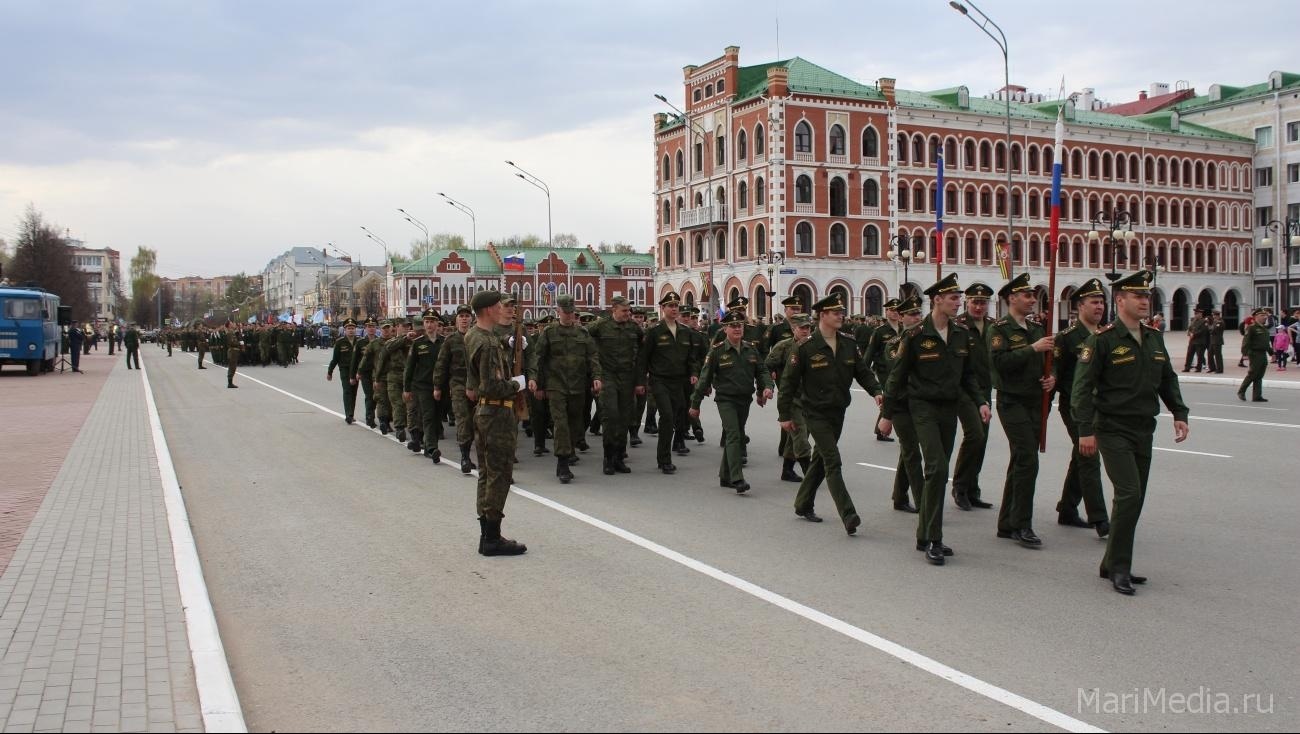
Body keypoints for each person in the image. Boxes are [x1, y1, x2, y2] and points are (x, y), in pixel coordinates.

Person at [1071, 269, 1189, 595]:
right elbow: (1082, 390)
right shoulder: (1102, 340)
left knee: (1135, 499)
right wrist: (1085, 430)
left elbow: (1167, 378)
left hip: (1143, 428)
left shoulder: (1153, 337)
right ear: (1120, 299)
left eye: (1147, 295)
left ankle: (1111, 561)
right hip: (1112, 428)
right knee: (1129, 493)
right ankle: (1120, 568)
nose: (1144, 301)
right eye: (1138, 296)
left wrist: (1179, 412)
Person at [878, 274, 989, 565]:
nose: (958, 302)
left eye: (959, 298)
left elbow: (967, 375)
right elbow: (896, 378)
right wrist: (886, 416)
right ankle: (934, 539)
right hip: (922, 407)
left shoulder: (961, 334)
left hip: (948, 408)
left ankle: (923, 533)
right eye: (953, 297)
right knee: (937, 469)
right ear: (937, 299)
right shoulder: (914, 336)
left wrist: (980, 402)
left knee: (937, 473)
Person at [778, 293, 881, 535]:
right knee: (832, 460)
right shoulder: (804, 347)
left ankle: (803, 503)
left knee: (821, 459)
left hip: (838, 410)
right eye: (836, 312)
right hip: (814, 412)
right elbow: (788, 384)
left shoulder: (847, 343)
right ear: (822, 315)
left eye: (841, 312)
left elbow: (863, 372)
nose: (841, 316)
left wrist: (876, 390)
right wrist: (785, 416)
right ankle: (848, 514)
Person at [989, 272, 1055, 549]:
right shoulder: (999, 329)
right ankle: (1022, 524)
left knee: (1020, 460)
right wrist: (1032, 349)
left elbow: (1051, 361)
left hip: (1035, 401)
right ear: (1012, 298)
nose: (1032, 300)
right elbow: (1000, 363)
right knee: (1028, 458)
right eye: (1027, 295)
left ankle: (1006, 522)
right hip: (1012, 401)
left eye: (1033, 295)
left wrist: (1053, 378)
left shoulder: (1037, 328)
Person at [465, 290, 528, 556]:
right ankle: (492, 538)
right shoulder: (488, 343)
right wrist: (517, 383)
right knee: (500, 475)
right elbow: (491, 385)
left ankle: (486, 535)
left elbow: (474, 385)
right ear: (490, 310)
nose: (503, 308)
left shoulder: (473, 336)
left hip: (484, 413)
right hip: (497, 414)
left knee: (486, 475)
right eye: (500, 305)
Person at [690, 309, 773, 493]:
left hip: (745, 399)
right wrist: (695, 405)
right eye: (733, 326)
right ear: (725, 329)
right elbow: (704, 379)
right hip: (725, 400)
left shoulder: (750, 349)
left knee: (734, 435)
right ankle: (737, 478)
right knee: (734, 435)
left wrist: (765, 388)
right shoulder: (717, 351)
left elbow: (762, 371)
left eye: (740, 325)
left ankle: (724, 475)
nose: (737, 329)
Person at [1053, 278, 1111, 537]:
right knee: (1089, 455)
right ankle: (1099, 517)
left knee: (1081, 454)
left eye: (1102, 302)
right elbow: (1055, 373)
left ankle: (1067, 508)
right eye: (1094, 302)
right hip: (1075, 406)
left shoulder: (1106, 335)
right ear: (1080, 306)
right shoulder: (1066, 338)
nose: (1099, 307)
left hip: (1102, 407)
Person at [530, 295, 602, 484]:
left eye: (572, 312)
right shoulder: (549, 333)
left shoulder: (583, 334)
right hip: (556, 385)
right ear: (558, 312)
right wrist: (536, 381)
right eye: (565, 312)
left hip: (578, 386)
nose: (569, 316)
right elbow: (538, 358)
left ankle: (568, 452)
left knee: (574, 423)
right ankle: (563, 462)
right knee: (560, 423)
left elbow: (592, 357)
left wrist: (596, 377)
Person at [635, 291, 698, 474]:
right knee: (667, 416)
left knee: (678, 415)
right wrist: (641, 381)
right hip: (659, 380)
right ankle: (664, 459)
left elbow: (691, 357)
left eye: (676, 306)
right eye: (670, 306)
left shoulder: (685, 332)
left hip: (678, 381)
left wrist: (693, 373)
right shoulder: (654, 332)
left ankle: (668, 451)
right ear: (662, 308)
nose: (674, 309)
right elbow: (643, 359)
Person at [951, 283, 996, 511]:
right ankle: (959, 487)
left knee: (982, 440)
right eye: (975, 302)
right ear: (967, 302)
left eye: (983, 302)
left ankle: (972, 488)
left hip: (985, 390)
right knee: (975, 435)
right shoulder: (957, 326)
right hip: (963, 389)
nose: (979, 306)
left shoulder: (993, 327)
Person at [588, 296, 642, 475]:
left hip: (627, 377)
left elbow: (644, 350)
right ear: (614, 310)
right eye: (624, 311)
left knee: (625, 418)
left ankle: (619, 457)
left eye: (629, 311)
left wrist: (640, 379)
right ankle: (608, 458)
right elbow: (583, 338)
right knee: (611, 416)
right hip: (607, 376)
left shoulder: (634, 328)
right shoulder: (600, 326)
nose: (628, 314)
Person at [882, 296, 924, 513]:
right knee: (912, 454)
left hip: (921, 404)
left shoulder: (926, 340)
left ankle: (899, 496)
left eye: (918, 313)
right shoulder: (893, 345)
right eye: (912, 314)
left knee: (908, 452)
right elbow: (898, 376)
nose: (917, 317)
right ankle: (924, 504)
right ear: (901, 317)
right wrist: (885, 414)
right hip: (900, 406)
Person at [765, 313, 813, 482]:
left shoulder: (814, 346)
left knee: (801, 435)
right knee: (800, 434)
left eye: (808, 327)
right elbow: (766, 366)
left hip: (809, 398)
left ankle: (787, 470)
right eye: (802, 328)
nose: (806, 331)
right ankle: (810, 473)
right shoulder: (783, 347)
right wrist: (769, 385)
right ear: (793, 329)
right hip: (791, 398)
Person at [434, 307, 477, 473]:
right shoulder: (450, 340)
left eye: (467, 316)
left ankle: (478, 455)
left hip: (477, 386)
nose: (464, 319)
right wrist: (438, 386)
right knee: (463, 420)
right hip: (458, 385)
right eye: (461, 316)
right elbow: (441, 364)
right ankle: (465, 457)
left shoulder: (477, 337)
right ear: (456, 320)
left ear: (472, 319)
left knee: (478, 422)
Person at [404, 310, 444, 462]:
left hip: (440, 386)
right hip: (423, 386)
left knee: (437, 416)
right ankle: (433, 448)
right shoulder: (418, 343)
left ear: (437, 324)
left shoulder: (444, 342)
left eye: (432, 321)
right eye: (426, 321)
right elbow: (410, 367)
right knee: (428, 415)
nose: (429, 325)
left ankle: (428, 446)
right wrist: (407, 389)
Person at [862, 298, 902, 443]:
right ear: (887, 312)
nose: (895, 313)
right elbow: (870, 352)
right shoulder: (879, 331)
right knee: (892, 396)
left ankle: (880, 429)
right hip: (884, 370)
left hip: (899, 369)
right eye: (892, 310)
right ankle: (890, 430)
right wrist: (864, 371)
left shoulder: (904, 329)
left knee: (892, 398)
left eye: (898, 310)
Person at [326, 319, 361, 424]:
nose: (351, 330)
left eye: (353, 328)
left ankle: (351, 413)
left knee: (354, 392)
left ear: (356, 329)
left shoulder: (359, 341)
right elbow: (335, 359)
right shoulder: (340, 342)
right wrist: (330, 371)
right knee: (347, 391)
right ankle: (348, 415)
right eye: (348, 328)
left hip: (356, 370)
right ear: (344, 330)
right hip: (345, 370)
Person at [1239, 308, 1271, 402]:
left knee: (1259, 375)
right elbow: (1246, 341)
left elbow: (1265, 343)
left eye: (1265, 315)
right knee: (1252, 374)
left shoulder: (1264, 328)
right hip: (1254, 353)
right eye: (1262, 315)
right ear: (1255, 317)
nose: (1264, 317)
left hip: (1263, 353)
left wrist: (1272, 353)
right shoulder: (1251, 328)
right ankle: (1241, 391)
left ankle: (1257, 396)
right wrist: (1244, 354)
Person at [225, 323, 243, 388]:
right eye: (232, 323)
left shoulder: (232, 332)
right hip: (232, 351)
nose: (233, 324)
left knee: (233, 367)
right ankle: (230, 383)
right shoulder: (229, 333)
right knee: (232, 367)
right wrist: (239, 343)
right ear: (229, 325)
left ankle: (230, 382)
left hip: (234, 351)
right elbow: (232, 342)